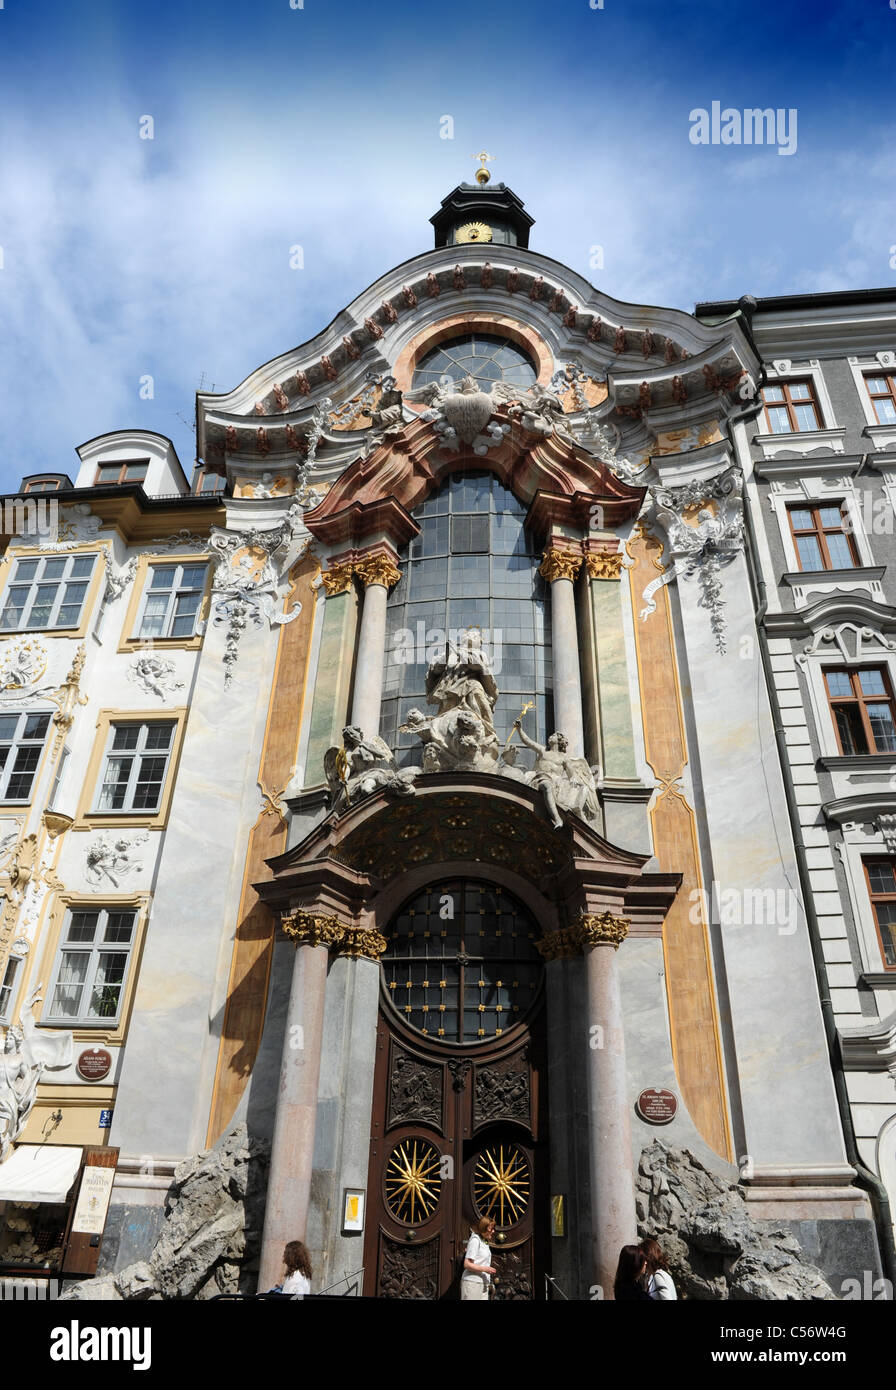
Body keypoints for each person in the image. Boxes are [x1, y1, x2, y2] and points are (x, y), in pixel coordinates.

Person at [461, 1217, 496, 1300]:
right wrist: (485, 1269)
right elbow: (467, 1264)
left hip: (483, 1283)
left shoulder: (484, 1241)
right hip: (472, 1283)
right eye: (491, 1229)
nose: (493, 1231)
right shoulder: (475, 1240)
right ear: (484, 1228)